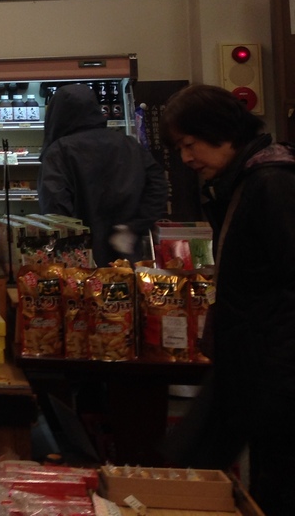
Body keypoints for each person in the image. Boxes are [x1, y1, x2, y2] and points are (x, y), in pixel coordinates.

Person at [158, 84, 295, 516]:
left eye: (189, 144)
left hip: (277, 371)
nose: (186, 158)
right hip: (258, 367)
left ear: (221, 131)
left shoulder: (271, 183)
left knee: (278, 483)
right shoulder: (243, 183)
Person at [36, 84, 168, 265]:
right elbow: (158, 186)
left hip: (80, 260)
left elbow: (54, 207)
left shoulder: (59, 151)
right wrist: (134, 226)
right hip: (127, 253)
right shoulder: (129, 144)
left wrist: (69, 243)